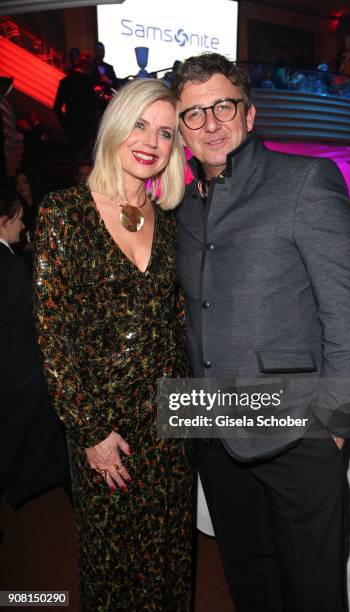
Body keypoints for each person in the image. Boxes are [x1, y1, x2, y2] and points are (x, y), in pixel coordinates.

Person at [172, 53, 350, 612]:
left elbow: (349, 315)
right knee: (249, 579)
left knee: (313, 590)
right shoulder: (181, 205)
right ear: (182, 129)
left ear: (249, 114)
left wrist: (339, 429)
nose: (210, 123)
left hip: (298, 430)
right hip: (214, 427)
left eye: (223, 106)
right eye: (193, 114)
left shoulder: (305, 180)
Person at [34, 79, 192, 611]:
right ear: (116, 127)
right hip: (106, 429)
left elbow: (178, 321)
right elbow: (52, 337)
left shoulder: (169, 223)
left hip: (169, 424)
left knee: (171, 557)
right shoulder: (65, 213)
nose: (151, 141)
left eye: (166, 132)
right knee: (114, 565)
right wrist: (90, 431)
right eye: (141, 124)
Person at [0, 189, 69, 509]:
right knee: (42, 439)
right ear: (3, 222)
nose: (22, 223)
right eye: (17, 218)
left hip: (9, 368)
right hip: (24, 371)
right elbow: (36, 317)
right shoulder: (10, 267)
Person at [53, 51, 101, 159]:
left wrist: (66, 124)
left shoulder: (64, 82)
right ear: (87, 68)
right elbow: (94, 105)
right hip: (87, 128)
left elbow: (56, 107)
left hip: (72, 129)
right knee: (87, 160)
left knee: (74, 162)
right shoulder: (87, 82)